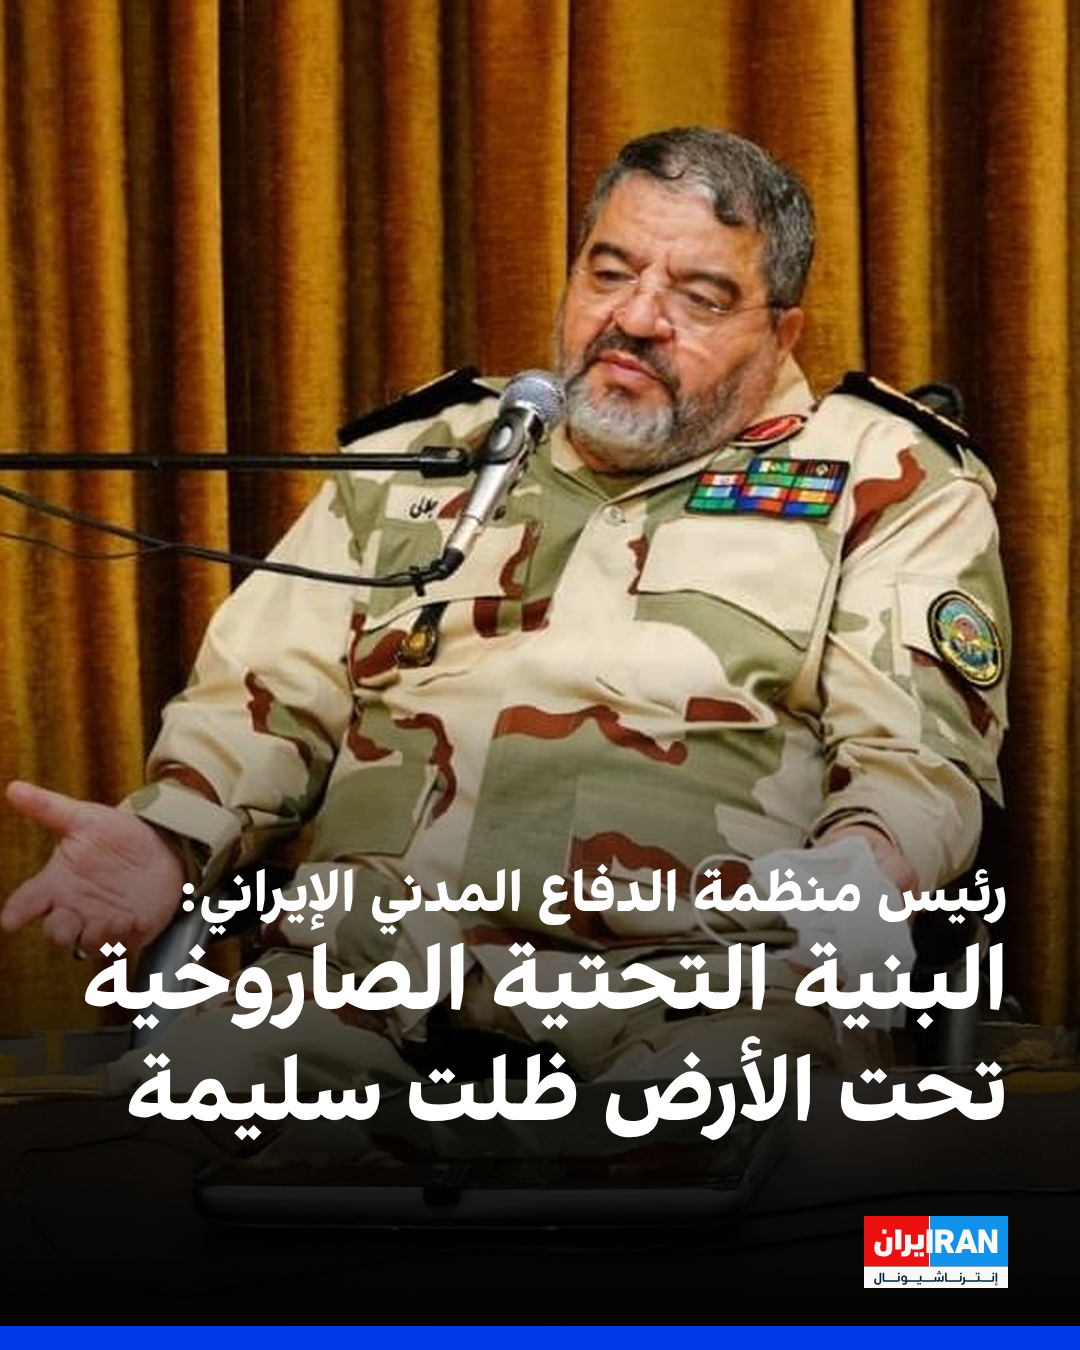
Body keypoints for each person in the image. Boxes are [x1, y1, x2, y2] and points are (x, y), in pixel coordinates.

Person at [2, 127, 1008, 1089]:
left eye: (700, 297)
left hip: (705, 989)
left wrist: (865, 874)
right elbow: (264, 698)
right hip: (362, 975)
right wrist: (168, 838)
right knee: (158, 1134)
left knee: (734, 1141)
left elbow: (915, 755)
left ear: (781, 330)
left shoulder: (881, 476)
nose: (636, 318)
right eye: (609, 273)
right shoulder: (425, 456)